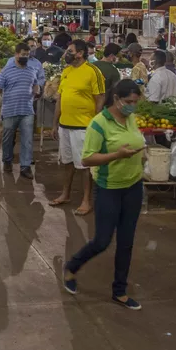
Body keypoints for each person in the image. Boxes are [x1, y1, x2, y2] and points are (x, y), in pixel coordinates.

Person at [62, 79, 147, 310]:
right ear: (117, 99)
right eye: (128, 102)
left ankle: (119, 291)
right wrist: (116, 156)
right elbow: (87, 158)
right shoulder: (98, 124)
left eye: (135, 102)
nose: (132, 106)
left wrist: (141, 156)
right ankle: (71, 266)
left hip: (133, 187)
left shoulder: (130, 118)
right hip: (109, 188)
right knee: (102, 241)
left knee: (126, 242)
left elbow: (135, 141)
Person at [51, 40, 107, 215]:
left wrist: (94, 123)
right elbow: (60, 99)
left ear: (80, 53)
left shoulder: (93, 71)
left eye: (70, 50)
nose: (66, 53)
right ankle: (65, 194)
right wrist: (54, 124)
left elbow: (101, 99)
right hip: (65, 125)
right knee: (67, 162)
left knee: (84, 165)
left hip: (83, 127)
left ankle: (86, 201)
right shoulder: (66, 71)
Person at [0, 43, 40, 179]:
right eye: (23, 54)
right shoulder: (7, 71)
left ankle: (25, 166)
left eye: (27, 55)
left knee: (27, 139)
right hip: (10, 110)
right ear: (16, 54)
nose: (25, 57)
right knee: (7, 138)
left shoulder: (31, 70)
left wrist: (37, 90)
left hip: (27, 110)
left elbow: (35, 85)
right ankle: (7, 161)